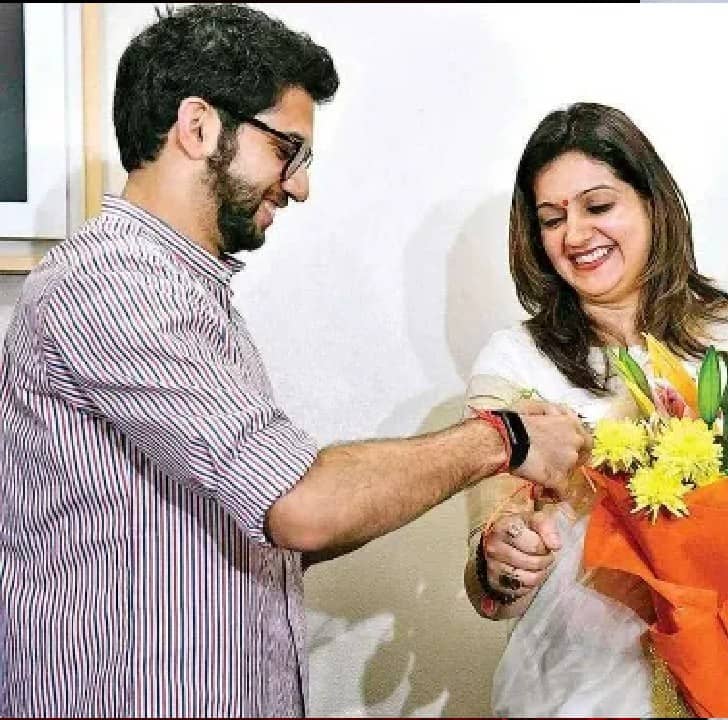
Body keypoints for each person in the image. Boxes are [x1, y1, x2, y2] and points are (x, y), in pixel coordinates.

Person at [0, 5, 589, 716]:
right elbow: (299, 507)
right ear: (198, 127)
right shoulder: (117, 284)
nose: (299, 185)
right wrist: (505, 438)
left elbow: (257, 525)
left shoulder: (184, 292)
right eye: (288, 149)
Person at [461, 102, 728, 718]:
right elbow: (490, 586)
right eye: (552, 219)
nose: (575, 235)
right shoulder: (516, 364)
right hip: (580, 689)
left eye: (598, 206)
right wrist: (503, 561)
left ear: (653, 204)